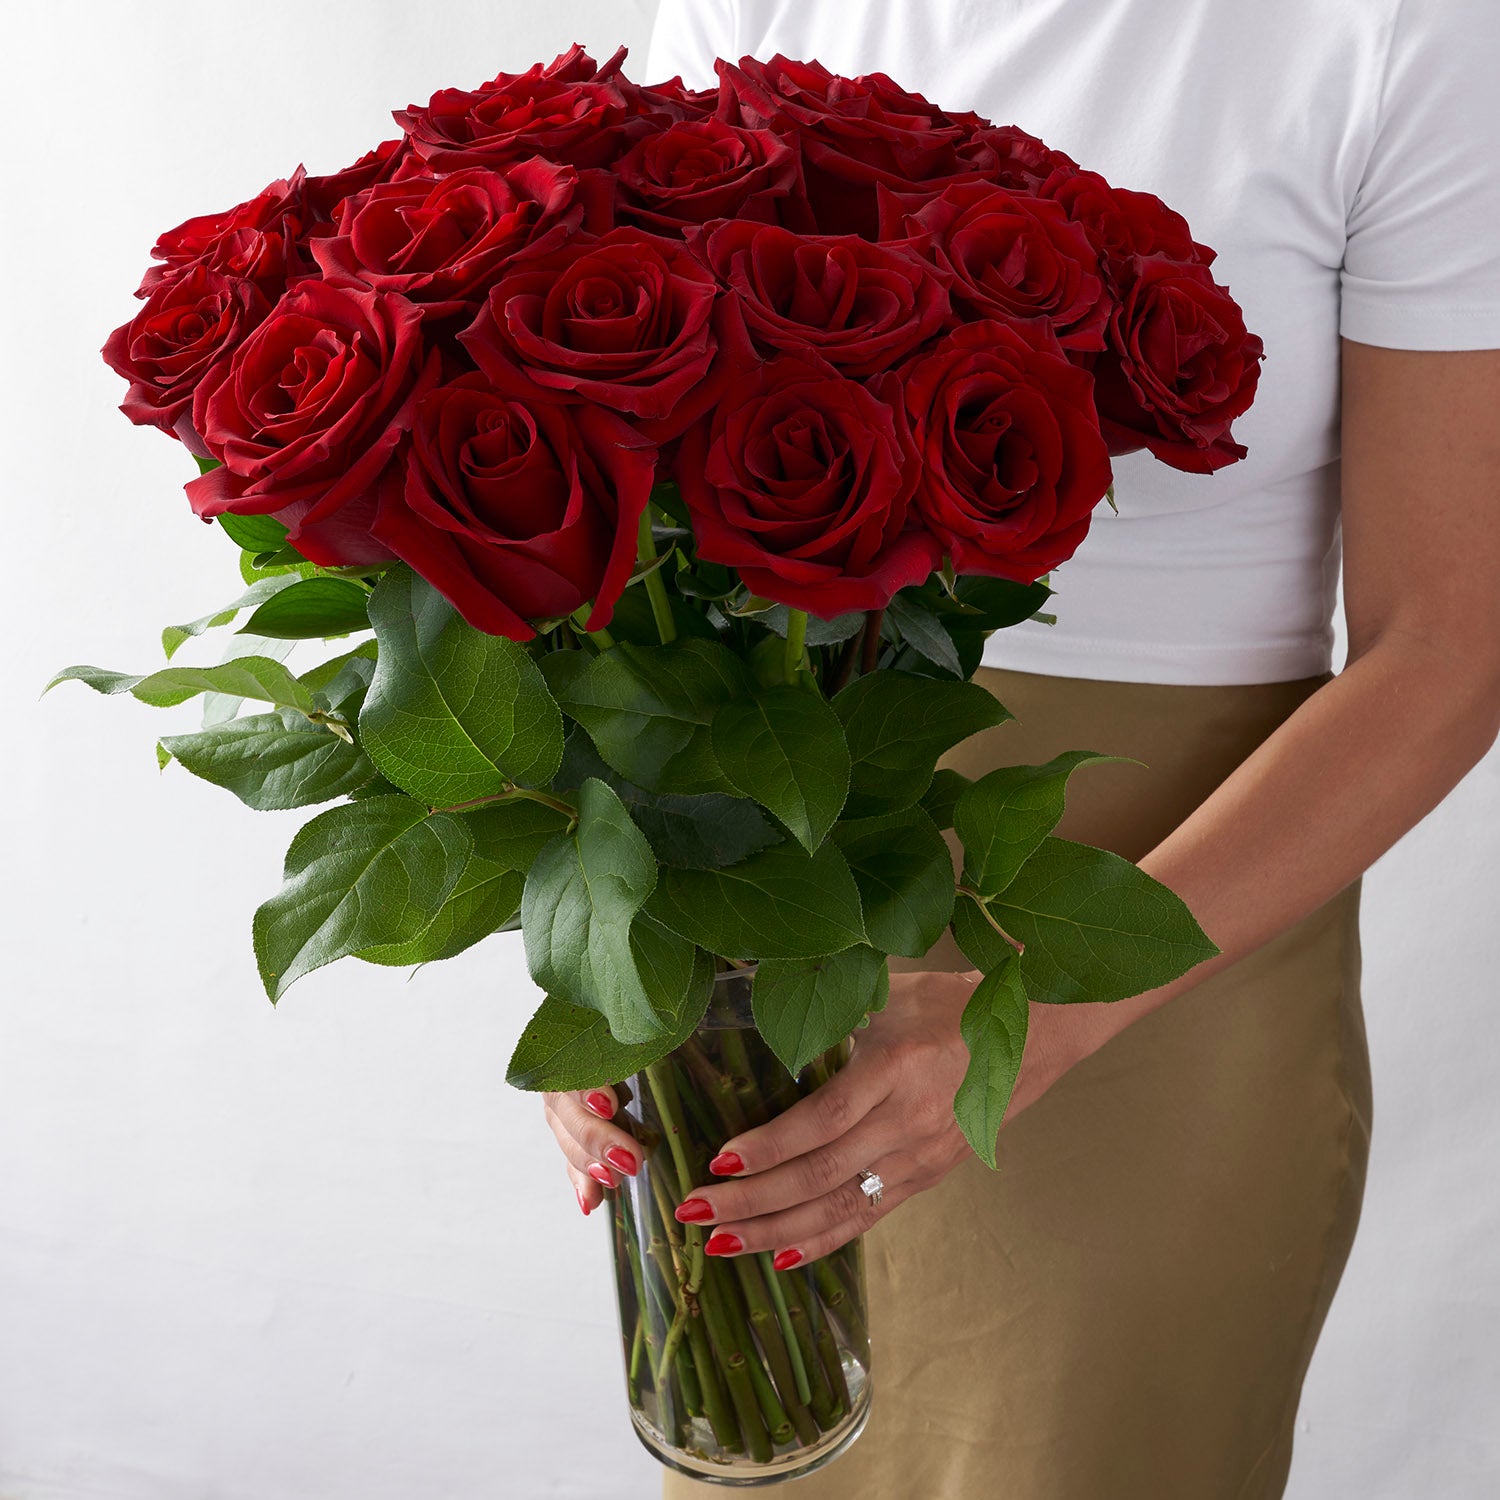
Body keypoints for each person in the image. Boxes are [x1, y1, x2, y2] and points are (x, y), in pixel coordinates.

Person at [542, 2, 1500, 1494]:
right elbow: (639, 509)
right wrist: (602, 947)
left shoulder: (1396, 34)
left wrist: (1037, 1010)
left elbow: (1452, 646)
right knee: (760, 1441)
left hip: (1164, 943)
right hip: (771, 910)